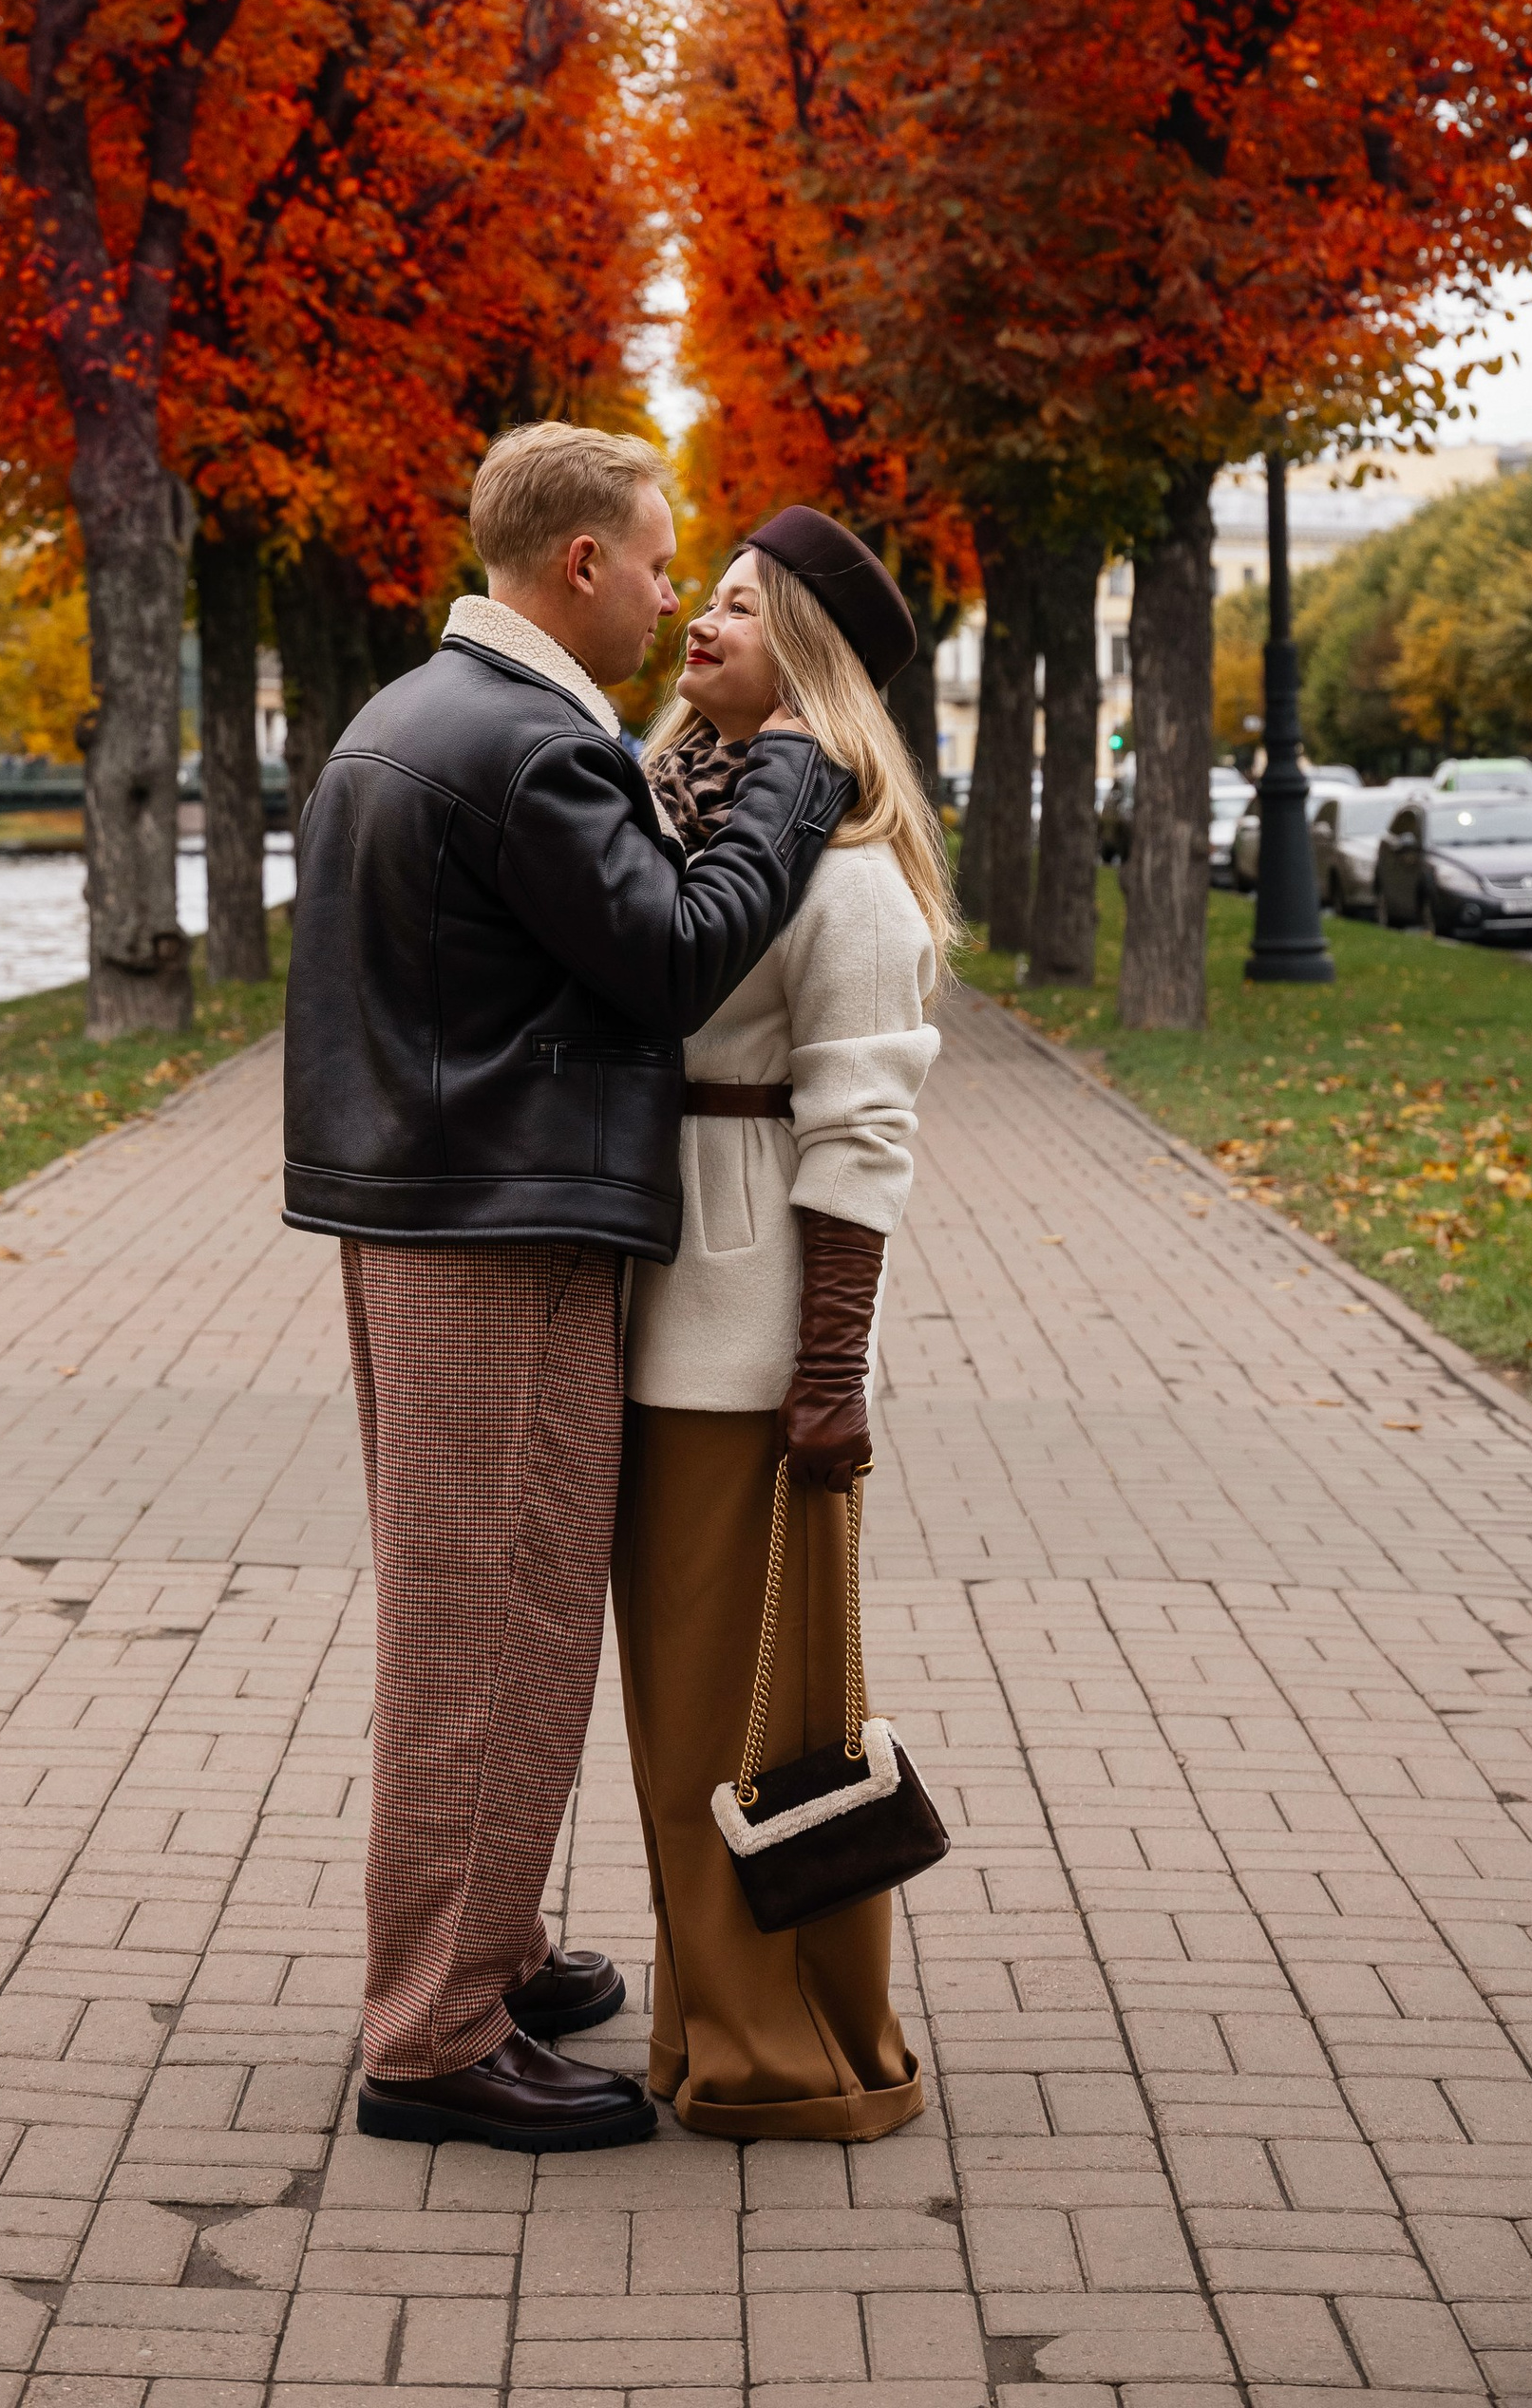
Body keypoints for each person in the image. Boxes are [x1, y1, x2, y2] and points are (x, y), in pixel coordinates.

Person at [282, 423, 852, 2154]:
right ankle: (435, 2036)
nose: (680, 596)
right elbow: (675, 959)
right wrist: (792, 787)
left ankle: (492, 1947)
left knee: (473, 1605)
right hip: (501, 1233)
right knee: (496, 1625)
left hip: (426, 1212)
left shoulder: (411, 713)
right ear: (583, 564)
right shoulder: (535, 749)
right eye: (667, 563)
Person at [615, 509, 955, 2142]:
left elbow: (863, 1136)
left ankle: (776, 2046)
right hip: (659, 1316)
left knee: (736, 1725)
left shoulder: (848, 867)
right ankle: (714, 2024)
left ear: (806, 652)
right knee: (696, 1714)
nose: (704, 619)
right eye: (709, 592)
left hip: (744, 1351)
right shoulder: (684, 809)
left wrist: (828, 1373)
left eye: (741, 607)